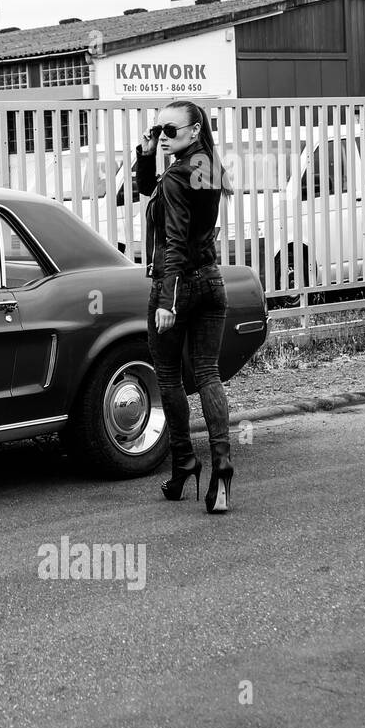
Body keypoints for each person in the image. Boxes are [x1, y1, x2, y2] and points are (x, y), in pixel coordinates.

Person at [133, 100, 236, 513]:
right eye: (158, 130)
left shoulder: (178, 176)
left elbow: (175, 241)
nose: (162, 137)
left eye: (170, 131)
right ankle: (222, 464)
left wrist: (168, 300)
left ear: (194, 131)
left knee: (169, 376)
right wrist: (146, 153)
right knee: (209, 374)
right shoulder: (206, 165)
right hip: (212, 282)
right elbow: (147, 189)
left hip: (176, 284)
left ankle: (185, 461)